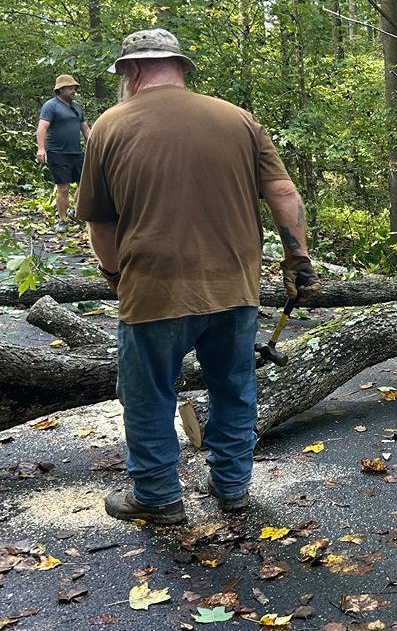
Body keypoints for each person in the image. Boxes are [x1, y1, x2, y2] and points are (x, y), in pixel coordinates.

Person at [77, 28, 321, 526]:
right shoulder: (239, 120)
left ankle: (157, 496)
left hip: (152, 290)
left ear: (132, 71)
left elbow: (100, 224)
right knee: (233, 387)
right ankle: (232, 487)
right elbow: (283, 192)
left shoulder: (108, 126)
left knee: (149, 396)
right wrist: (297, 258)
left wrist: (113, 276)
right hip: (233, 287)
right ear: (182, 67)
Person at [36, 75, 91, 229]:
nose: (74, 90)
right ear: (60, 89)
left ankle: (75, 211)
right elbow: (42, 128)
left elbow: (85, 129)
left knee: (85, 185)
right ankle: (62, 220)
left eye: (74, 88)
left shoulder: (77, 107)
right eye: (70, 87)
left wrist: (95, 146)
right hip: (57, 152)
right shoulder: (51, 106)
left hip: (76, 152)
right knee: (64, 188)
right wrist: (41, 148)